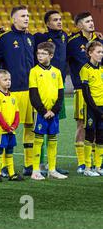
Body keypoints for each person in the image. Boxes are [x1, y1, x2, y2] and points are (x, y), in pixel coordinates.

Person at [0, 6, 35, 177]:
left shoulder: (31, 38)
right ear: (14, 19)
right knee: (6, 129)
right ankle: (3, 166)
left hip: (30, 91)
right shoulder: (4, 39)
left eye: (27, 15)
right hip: (10, 93)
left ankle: (29, 164)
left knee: (30, 127)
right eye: (22, 16)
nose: (26, 18)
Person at [33, 11, 69, 176]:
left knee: (53, 130)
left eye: (60, 19)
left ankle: (51, 165)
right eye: (55, 20)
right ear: (47, 24)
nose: (59, 22)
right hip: (42, 92)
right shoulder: (40, 37)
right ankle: (39, 165)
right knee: (40, 132)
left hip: (56, 91)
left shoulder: (65, 37)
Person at [67, 12, 103, 174]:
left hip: (99, 92)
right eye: (87, 21)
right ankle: (82, 163)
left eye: (92, 20)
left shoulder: (100, 41)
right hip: (81, 91)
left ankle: (97, 163)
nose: (91, 23)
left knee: (98, 127)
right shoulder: (73, 42)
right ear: (79, 25)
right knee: (82, 125)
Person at [29, 42, 66, 180]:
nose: (40, 56)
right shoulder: (34, 71)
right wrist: (43, 111)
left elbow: (61, 94)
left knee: (53, 140)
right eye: (38, 53)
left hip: (53, 113)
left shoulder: (57, 72)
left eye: (43, 53)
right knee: (38, 140)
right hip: (40, 113)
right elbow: (33, 95)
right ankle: (35, 170)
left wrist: (54, 111)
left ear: (51, 55)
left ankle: (52, 169)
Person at [0, 69, 23, 182]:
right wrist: (6, 127)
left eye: (9, 79)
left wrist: (14, 126)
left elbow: (17, 114)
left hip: (11, 130)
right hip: (1, 131)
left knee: (10, 151)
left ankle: (12, 174)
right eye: (5, 80)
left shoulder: (13, 96)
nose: (8, 82)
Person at [79, 41, 103, 176]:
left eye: (102, 52)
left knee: (101, 136)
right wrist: (97, 110)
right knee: (89, 135)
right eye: (98, 52)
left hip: (102, 107)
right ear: (90, 53)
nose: (101, 54)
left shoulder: (102, 69)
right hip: (91, 109)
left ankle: (98, 166)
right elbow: (86, 94)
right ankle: (88, 167)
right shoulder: (85, 69)